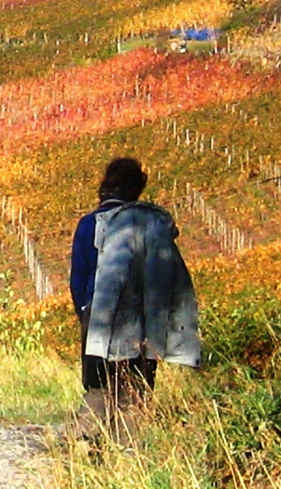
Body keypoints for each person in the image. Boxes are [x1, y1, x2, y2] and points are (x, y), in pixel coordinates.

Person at [68, 157, 201, 428]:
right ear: (137, 188)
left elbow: (78, 280)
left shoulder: (88, 224)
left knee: (99, 388)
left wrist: (85, 313)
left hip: (99, 316)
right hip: (145, 319)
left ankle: (85, 443)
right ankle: (129, 452)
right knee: (137, 391)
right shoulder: (152, 224)